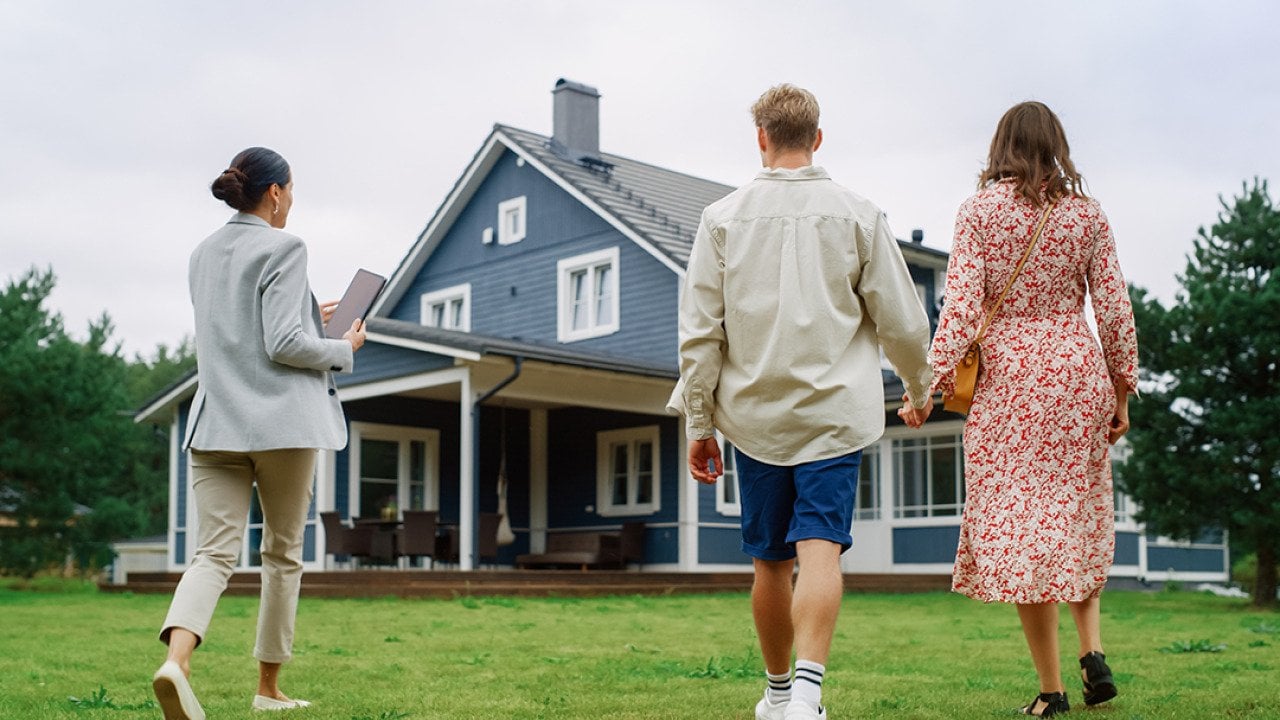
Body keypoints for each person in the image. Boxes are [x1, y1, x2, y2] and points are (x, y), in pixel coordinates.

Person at [668, 84, 933, 720]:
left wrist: (699, 425)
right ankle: (808, 700)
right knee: (820, 547)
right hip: (835, 417)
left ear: (761, 138)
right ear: (817, 138)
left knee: (769, 561)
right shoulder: (859, 215)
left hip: (756, 420)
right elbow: (903, 322)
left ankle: (779, 696)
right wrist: (921, 389)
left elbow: (701, 335)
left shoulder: (721, 220)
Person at [900, 102, 1138, 717]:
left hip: (1011, 383)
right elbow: (1113, 309)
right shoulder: (1086, 216)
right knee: (1075, 517)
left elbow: (957, 309)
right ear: (1056, 144)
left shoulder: (980, 212)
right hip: (1076, 373)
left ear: (1000, 146)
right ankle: (1093, 651)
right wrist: (1120, 387)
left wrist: (925, 385)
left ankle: (1053, 691)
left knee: (1027, 531)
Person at [151, 147, 366, 719]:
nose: (291, 202)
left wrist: (309, 319)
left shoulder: (201, 253)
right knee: (281, 555)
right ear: (274, 193)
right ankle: (268, 689)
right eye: (291, 192)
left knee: (212, 554)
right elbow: (283, 346)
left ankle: (177, 663)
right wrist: (344, 346)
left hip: (215, 421)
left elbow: (243, 332)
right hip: (282, 426)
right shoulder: (285, 246)